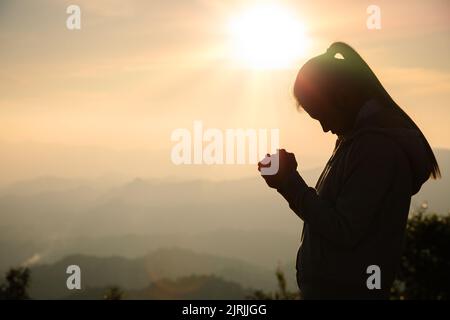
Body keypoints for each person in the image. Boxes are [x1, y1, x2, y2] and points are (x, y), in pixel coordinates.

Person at [258, 42, 440, 299]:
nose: (323, 127)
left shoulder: (375, 149)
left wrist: (289, 183)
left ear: (342, 97)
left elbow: (343, 229)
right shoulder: (358, 142)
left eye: (321, 115)